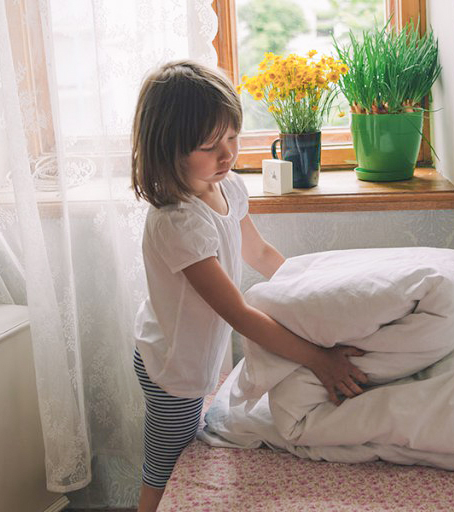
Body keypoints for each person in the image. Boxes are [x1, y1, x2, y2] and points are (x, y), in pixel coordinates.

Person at [129, 60, 368, 512]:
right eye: (209, 145)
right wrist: (318, 359)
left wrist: (313, 294)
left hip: (192, 353)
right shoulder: (176, 223)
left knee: (186, 453)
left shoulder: (229, 186)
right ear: (170, 149)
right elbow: (237, 313)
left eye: (233, 138)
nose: (227, 154)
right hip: (172, 369)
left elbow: (259, 253)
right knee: (164, 470)